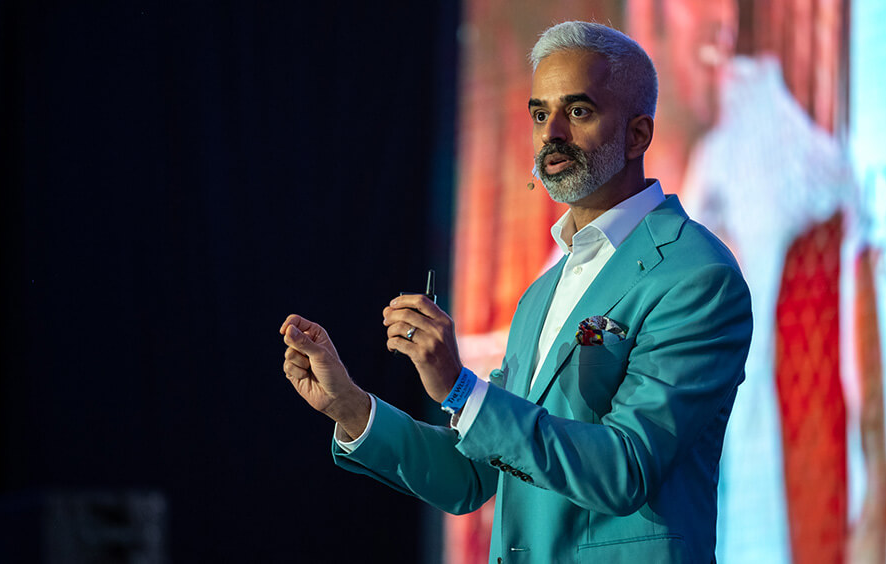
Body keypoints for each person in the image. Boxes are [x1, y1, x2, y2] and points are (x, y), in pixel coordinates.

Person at [280, 21, 752, 563]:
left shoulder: (697, 275)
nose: (551, 132)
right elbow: (473, 473)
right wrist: (352, 408)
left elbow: (627, 469)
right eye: (538, 113)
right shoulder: (544, 290)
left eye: (578, 111)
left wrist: (459, 389)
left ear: (638, 135)